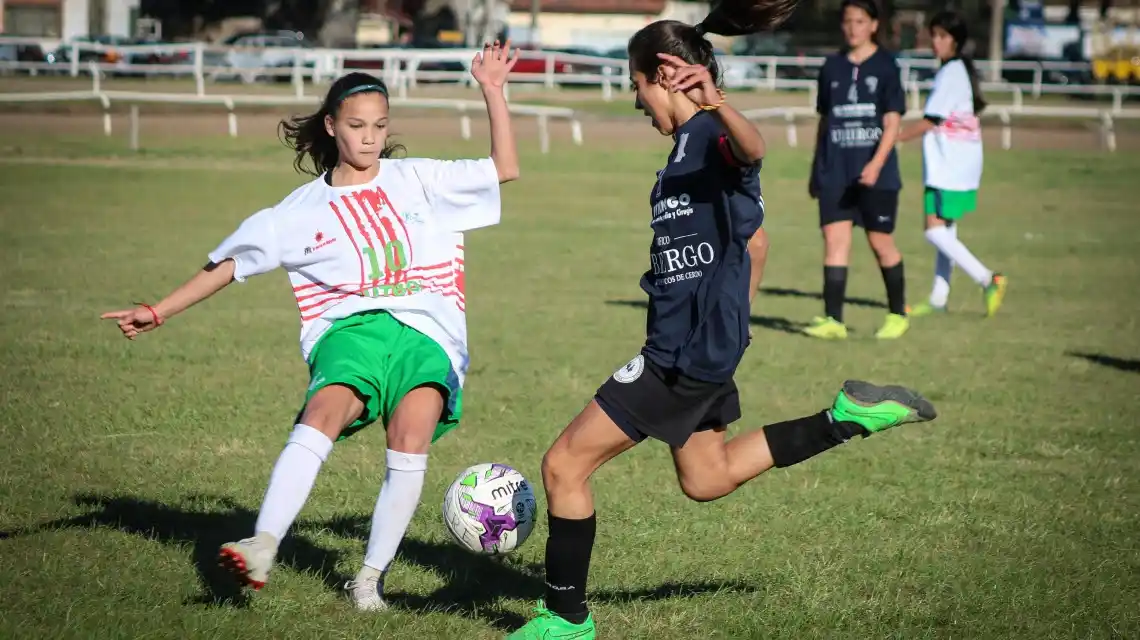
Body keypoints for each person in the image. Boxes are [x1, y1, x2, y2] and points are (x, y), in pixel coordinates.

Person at [505, 4, 939, 638]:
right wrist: (734, 323)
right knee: (707, 477)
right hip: (703, 346)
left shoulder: (709, 135)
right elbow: (755, 243)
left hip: (679, 356)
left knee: (564, 465)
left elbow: (753, 149)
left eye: (635, 85)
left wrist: (717, 103)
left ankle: (565, 619)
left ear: (661, 75)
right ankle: (846, 416)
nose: (635, 102)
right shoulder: (683, 153)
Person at [100, 42, 521, 610]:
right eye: (355, 125)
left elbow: (504, 169)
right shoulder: (294, 213)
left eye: (379, 125)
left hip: (429, 332)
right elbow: (228, 265)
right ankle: (263, 545)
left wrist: (492, 88)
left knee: (410, 439)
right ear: (330, 126)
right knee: (323, 413)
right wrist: (159, 310)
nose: (369, 137)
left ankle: (369, 582)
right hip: (348, 331)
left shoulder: (420, 178)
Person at [806, 0, 909, 340]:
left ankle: (897, 314)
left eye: (860, 21)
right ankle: (833, 320)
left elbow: (892, 122)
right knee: (834, 241)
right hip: (836, 172)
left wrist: (876, 165)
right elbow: (825, 121)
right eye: (848, 21)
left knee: (881, 243)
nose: (853, 27)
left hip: (876, 176)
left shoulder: (887, 66)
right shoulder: (831, 67)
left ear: (874, 25)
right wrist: (816, 170)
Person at [898, 10, 1007, 317]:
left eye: (943, 36)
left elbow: (931, 120)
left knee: (933, 231)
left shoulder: (951, 72)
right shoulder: (956, 70)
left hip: (949, 164)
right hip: (960, 162)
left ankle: (989, 279)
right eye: (934, 35)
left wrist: (895, 139)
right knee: (947, 230)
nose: (936, 42)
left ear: (956, 42)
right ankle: (938, 298)